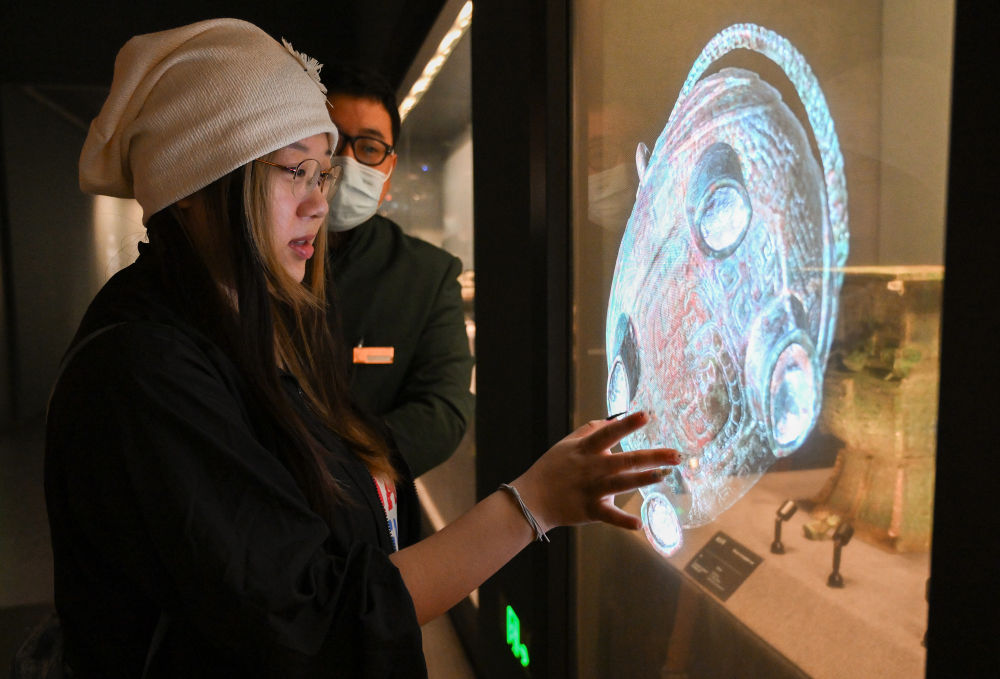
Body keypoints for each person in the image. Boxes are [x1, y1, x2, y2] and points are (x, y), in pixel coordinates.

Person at [43, 18, 679, 678]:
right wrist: (532, 504)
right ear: (195, 184)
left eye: (322, 175)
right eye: (296, 171)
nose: (319, 203)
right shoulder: (146, 367)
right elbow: (311, 619)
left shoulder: (237, 320)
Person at [324, 64, 474, 477]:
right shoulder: (252, 257)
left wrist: (330, 462)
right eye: (331, 140)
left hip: (374, 499)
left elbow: (443, 411)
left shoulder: (427, 275)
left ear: (389, 171)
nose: (346, 160)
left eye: (369, 148)